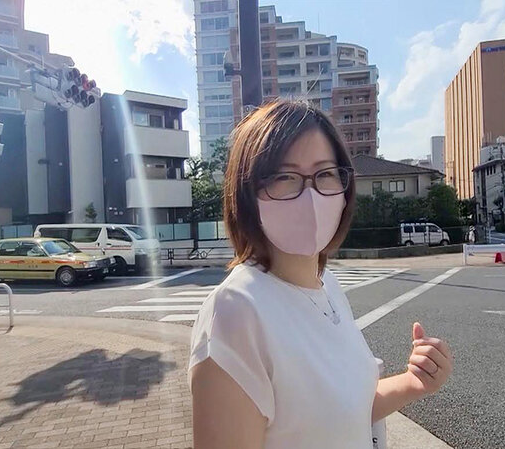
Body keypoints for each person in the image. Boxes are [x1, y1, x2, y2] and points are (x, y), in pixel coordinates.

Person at [188, 100, 454, 449]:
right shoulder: (234, 312)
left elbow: (343, 410)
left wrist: (415, 382)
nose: (310, 195)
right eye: (285, 177)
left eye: (325, 174)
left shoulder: (326, 284)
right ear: (246, 193)